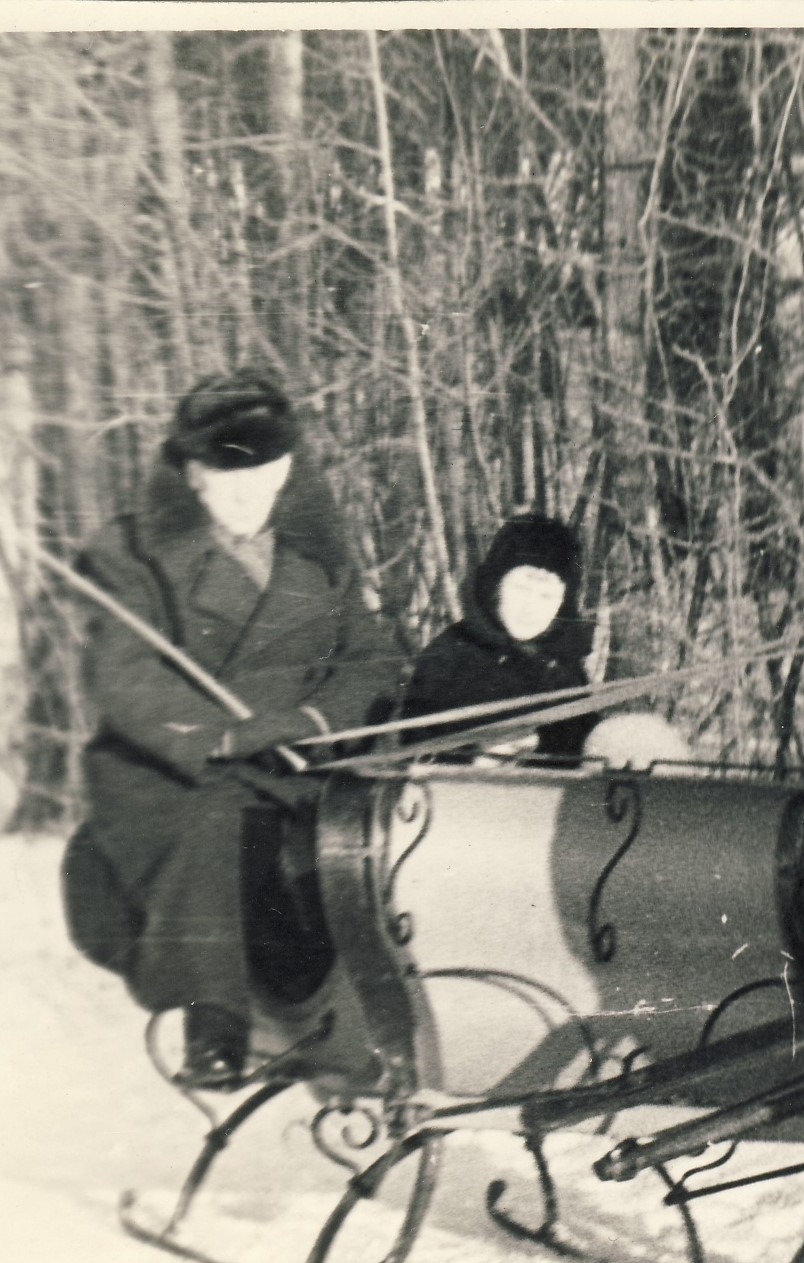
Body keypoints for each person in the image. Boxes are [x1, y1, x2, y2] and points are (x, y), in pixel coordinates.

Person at [59, 370, 404, 1084]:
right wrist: (220, 735)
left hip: (300, 763)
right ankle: (214, 1020)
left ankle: (363, 1029)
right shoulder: (133, 557)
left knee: (375, 836)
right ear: (191, 473)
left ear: (286, 467)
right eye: (225, 470)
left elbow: (370, 661)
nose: (248, 490)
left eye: (265, 469)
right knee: (214, 819)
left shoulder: (318, 558)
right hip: (176, 773)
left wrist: (310, 720)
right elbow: (122, 678)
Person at [398, 513, 598, 759]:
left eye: (546, 596)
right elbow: (414, 746)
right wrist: (473, 755)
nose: (530, 606)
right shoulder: (450, 655)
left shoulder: (565, 670)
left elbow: (584, 750)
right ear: (495, 585)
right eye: (521, 588)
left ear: (562, 605)